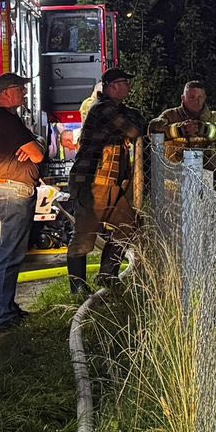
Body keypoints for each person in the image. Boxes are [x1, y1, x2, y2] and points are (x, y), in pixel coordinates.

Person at [66, 67, 144, 297]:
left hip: (111, 184)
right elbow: (134, 129)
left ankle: (107, 275)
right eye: (123, 83)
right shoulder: (103, 109)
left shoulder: (116, 109)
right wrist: (134, 120)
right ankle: (77, 287)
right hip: (92, 182)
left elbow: (138, 121)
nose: (128, 87)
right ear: (111, 87)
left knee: (128, 225)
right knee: (84, 235)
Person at [0, 72, 46, 330]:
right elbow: (39, 155)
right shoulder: (6, 121)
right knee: (9, 255)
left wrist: (35, 142)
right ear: (6, 93)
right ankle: (5, 316)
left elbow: (36, 147)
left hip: (13, 192)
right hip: (15, 193)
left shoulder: (7, 120)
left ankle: (8, 309)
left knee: (13, 253)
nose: (25, 93)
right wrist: (36, 143)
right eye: (20, 88)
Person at [150, 80, 216, 164]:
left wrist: (205, 129)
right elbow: (153, 130)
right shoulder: (170, 115)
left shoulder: (213, 117)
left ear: (205, 97)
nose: (197, 101)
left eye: (200, 97)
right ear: (183, 98)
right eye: (192, 97)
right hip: (175, 173)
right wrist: (179, 130)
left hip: (207, 174)